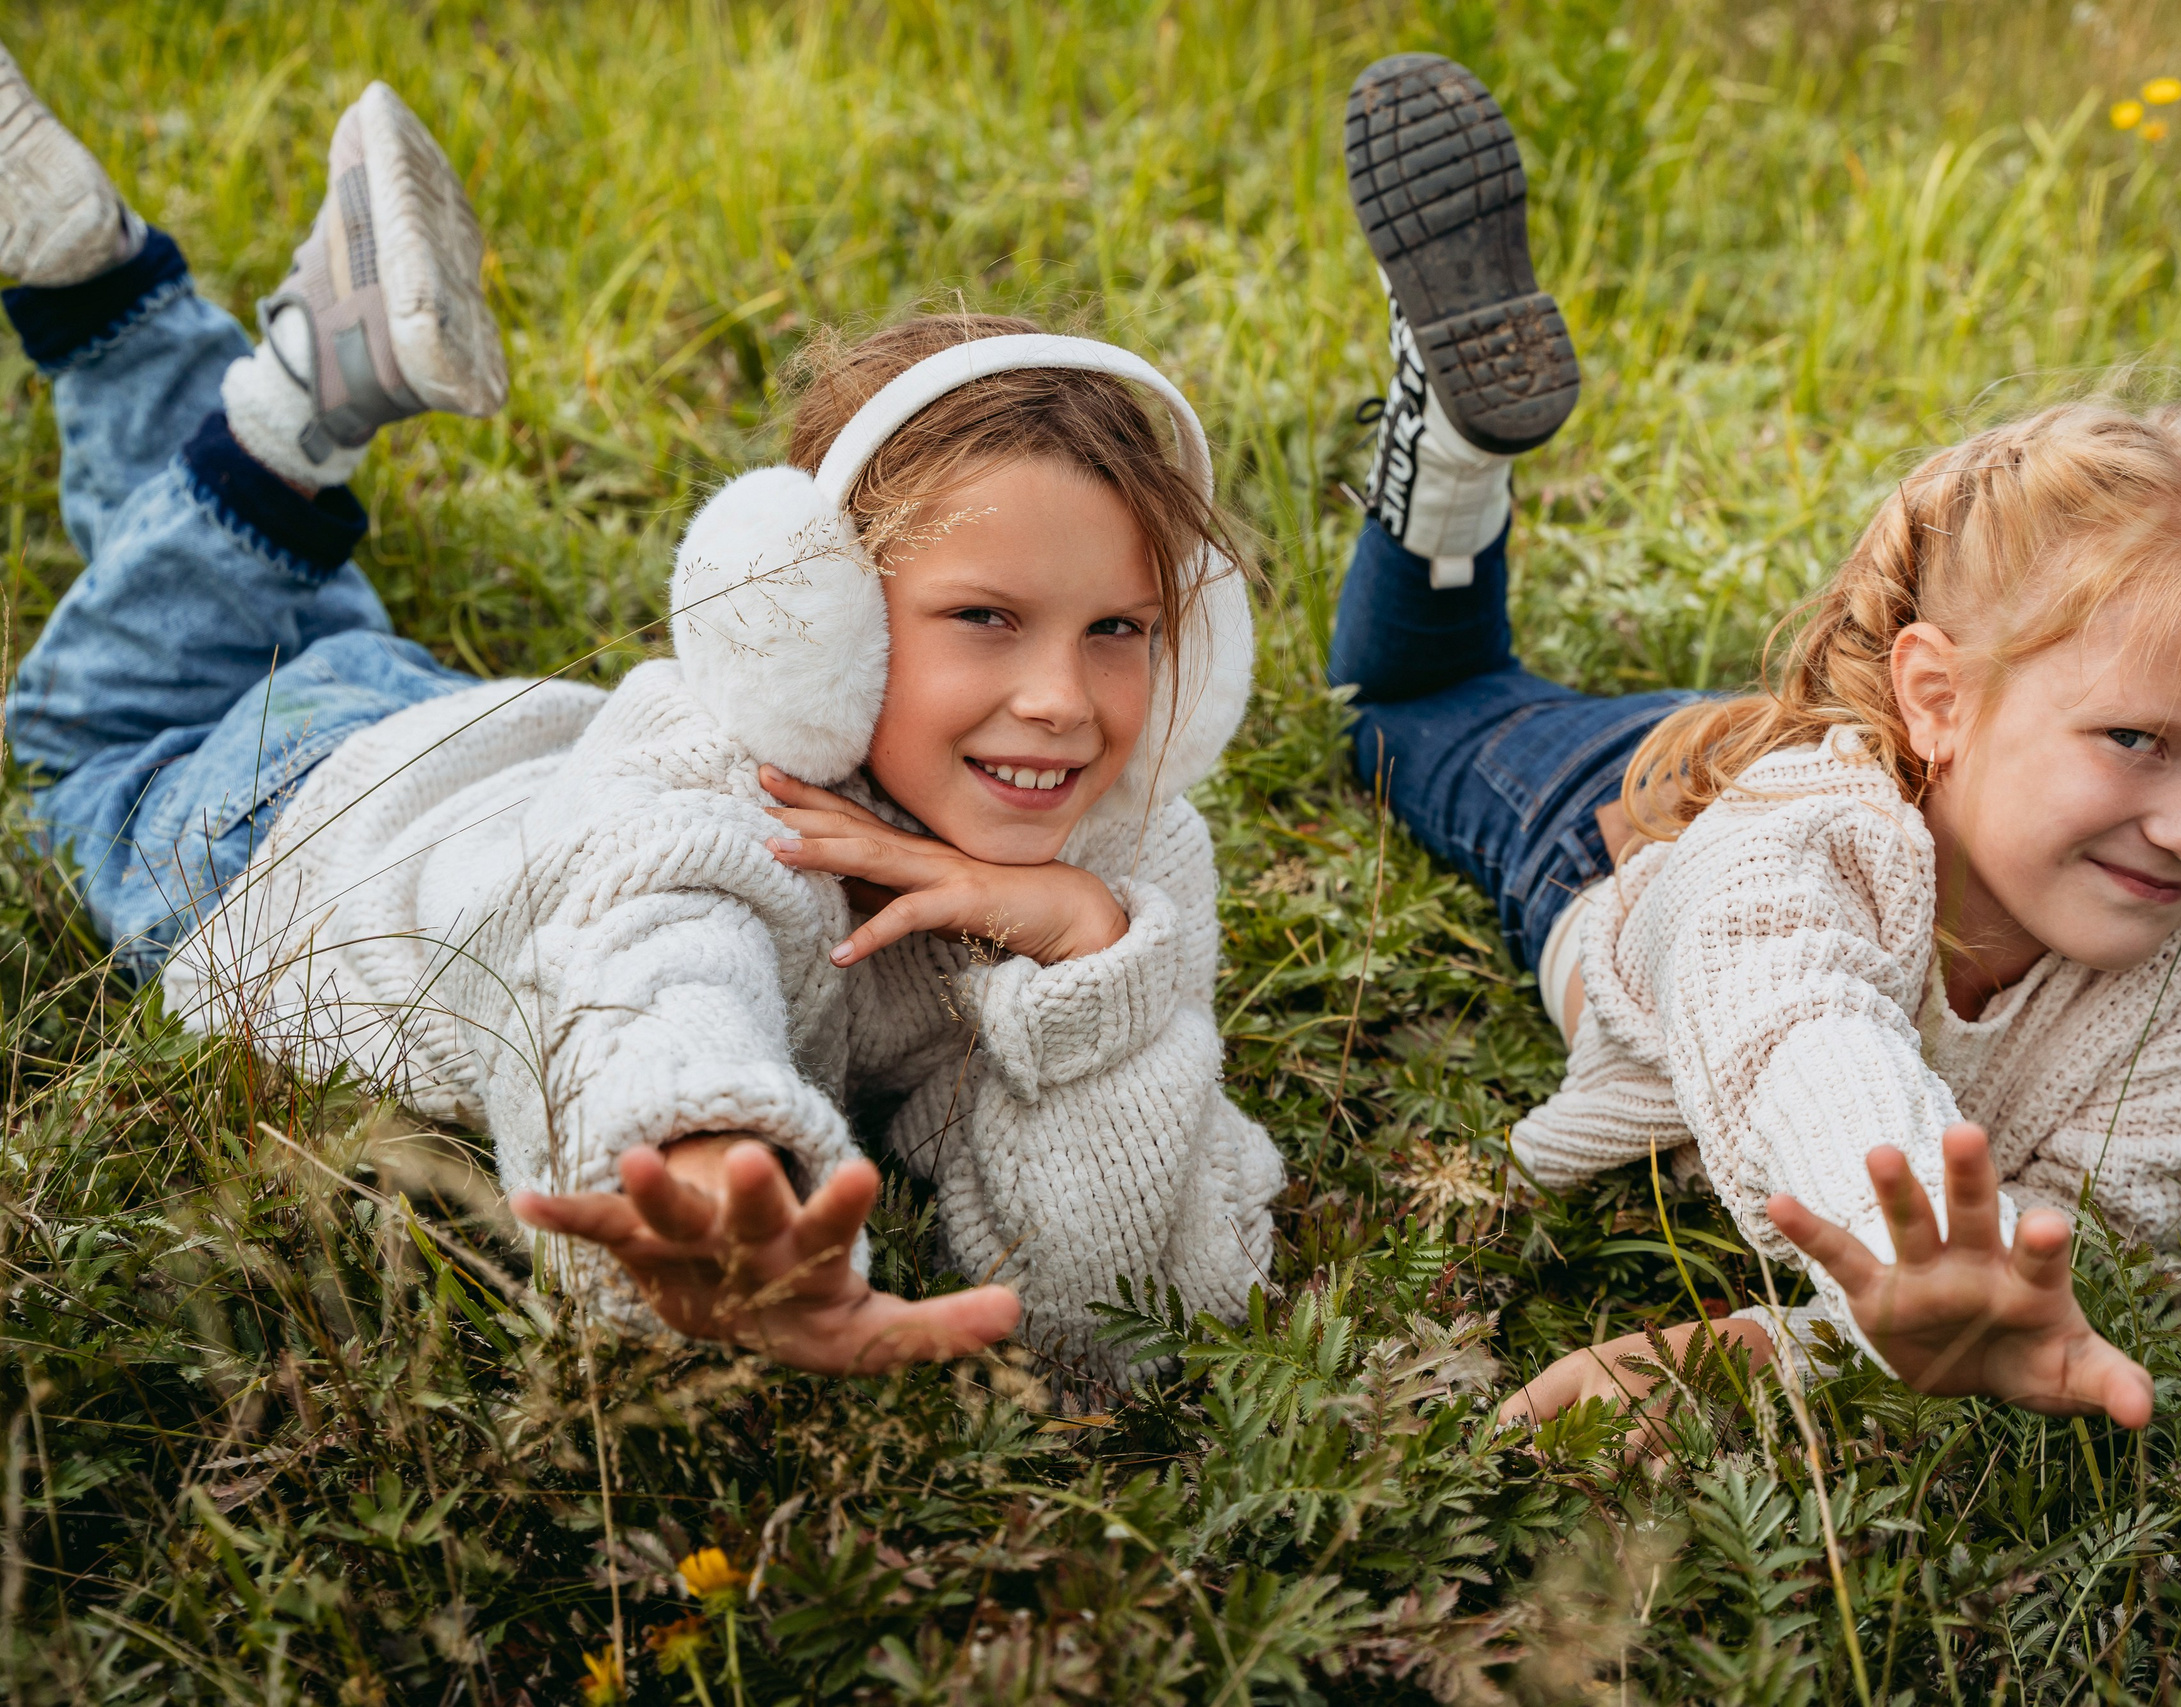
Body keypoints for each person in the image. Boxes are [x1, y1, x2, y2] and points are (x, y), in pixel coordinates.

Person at [0, 53, 1286, 1380]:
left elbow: (1136, 1311)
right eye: (985, 618)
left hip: (463, 733)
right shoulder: (725, 799)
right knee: (91, 727)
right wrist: (705, 1160)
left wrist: (1087, 959)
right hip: (276, 831)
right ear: (811, 620)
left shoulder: (1112, 867)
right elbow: (645, 972)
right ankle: (280, 412)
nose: (1063, 703)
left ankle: (115, 294)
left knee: (252, 598)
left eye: (1119, 630)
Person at [1330, 54, 2181, 1430]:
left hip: (1925, 771)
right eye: (2140, 738)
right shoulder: (1782, 861)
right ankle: (1451, 445)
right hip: (1628, 820)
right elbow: (1800, 1037)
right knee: (1403, 708)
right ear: (1940, 698)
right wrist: (1899, 1237)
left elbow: (2077, 1243)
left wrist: (1772, 1345)